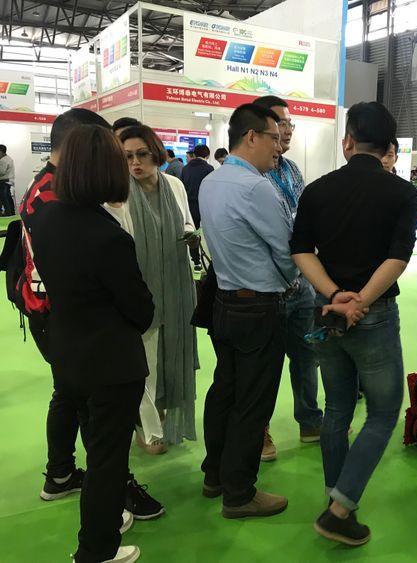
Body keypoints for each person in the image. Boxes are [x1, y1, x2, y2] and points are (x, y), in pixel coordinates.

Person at [18, 108, 163, 523]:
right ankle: (107, 507)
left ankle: (62, 474)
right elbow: (135, 305)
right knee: (102, 436)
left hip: (65, 325)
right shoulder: (66, 207)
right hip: (84, 332)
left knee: (71, 401)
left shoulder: (51, 199)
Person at [291, 101, 417, 546]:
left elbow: (300, 250)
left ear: (348, 141)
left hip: (327, 313)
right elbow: (398, 257)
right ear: (388, 146)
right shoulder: (402, 193)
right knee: (383, 412)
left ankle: (335, 497)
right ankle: (340, 509)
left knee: (337, 409)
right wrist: (361, 300)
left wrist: (335, 296)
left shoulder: (317, 190)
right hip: (373, 315)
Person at [199, 103, 292, 518]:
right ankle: (239, 493)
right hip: (259, 306)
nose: (278, 146)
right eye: (274, 136)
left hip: (224, 302)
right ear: (251, 136)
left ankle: (215, 475)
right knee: (253, 402)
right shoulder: (257, 187)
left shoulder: (211, 181)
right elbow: (286, 250)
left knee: (225, 391)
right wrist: (294, 278)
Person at [112, 125, 198, 452]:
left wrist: (189, 234)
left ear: (156, 153)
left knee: (172, 354)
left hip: (176, 286)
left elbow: (187, 221)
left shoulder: (174, 185)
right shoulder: (117, 193)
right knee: (144, 359)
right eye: (128, 157)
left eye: (142, 154)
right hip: (139, 289)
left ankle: (162, 412)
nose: (135, 163)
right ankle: (146, 428)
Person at [255, 95, 323, 453]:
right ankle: (259, 430)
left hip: (302, 282)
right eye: (280, 123)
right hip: (268, 286)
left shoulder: (292, 169)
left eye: (289, 123)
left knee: (307, 356)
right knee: (264, 365)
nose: (287, 130)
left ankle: (310, 421)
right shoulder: (251, 175)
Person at [181, 144, 214, 230]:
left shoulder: (185, 169)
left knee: (191, 229)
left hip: (188, 205)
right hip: (204, 206)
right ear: (208, 156)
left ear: (194, 155)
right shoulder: (209, 169)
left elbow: (182, 187)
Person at [0, 144, 15, 216]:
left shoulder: (3, 160)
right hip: (8, 181)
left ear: (1, 152)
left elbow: (1, 172)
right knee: (8, 198)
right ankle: (11, 213)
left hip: (4, 182)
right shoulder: (9, 158)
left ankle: (8, 213)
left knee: (4, 199)